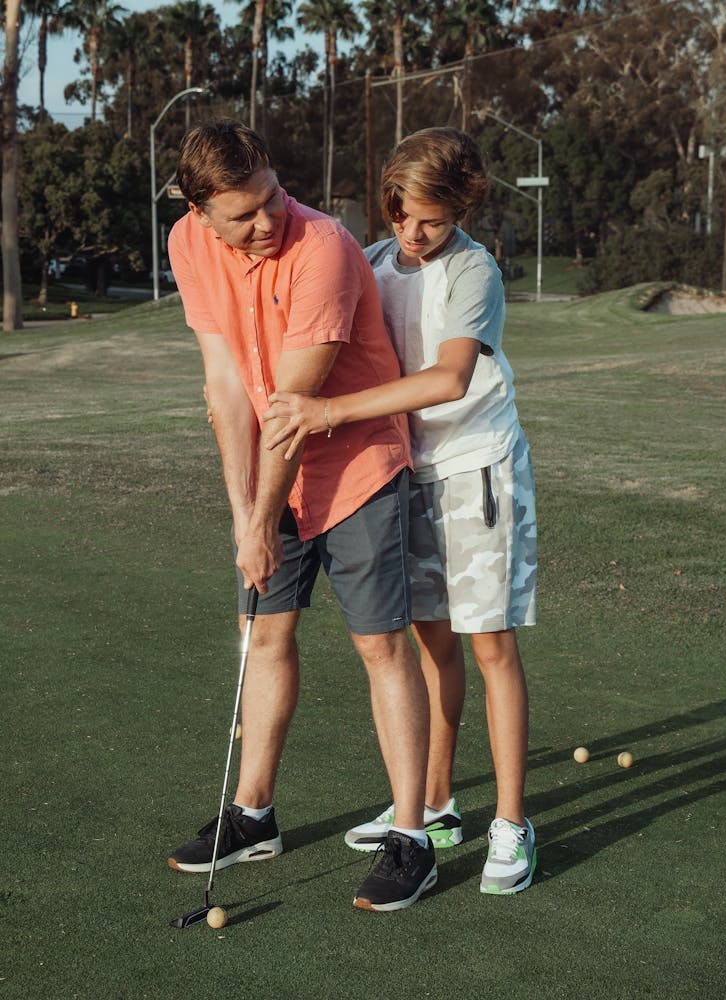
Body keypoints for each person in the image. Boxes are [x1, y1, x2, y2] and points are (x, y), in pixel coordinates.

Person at [166, 120, 436, 913]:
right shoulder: (190, 246)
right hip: (271, 477)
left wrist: (256, 526)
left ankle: (412, 837)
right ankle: (254, 816)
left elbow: (291, 406)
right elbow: (224, 389)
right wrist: (244, 514)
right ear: (200, 212)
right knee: (266, 633)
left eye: (272, 197)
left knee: (380, 645)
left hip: (356, 467)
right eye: (243, 214)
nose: (267, 221)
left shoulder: (321, 247)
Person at [264, 126, 538, 895]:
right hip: (405, 475)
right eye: (400, 216)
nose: (411, 235)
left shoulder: (473, 271)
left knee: (490, 647)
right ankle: (438, 805)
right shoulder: (380, 261)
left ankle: (513, 825)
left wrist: (329, 411)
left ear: (461, 210)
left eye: (430, 221)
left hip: (475, 469)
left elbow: (449, 380)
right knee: (432, 646)